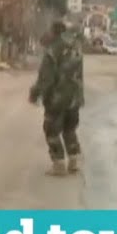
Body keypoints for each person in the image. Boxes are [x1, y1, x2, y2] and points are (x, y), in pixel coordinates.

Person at [30, 20, 84, 176]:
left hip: (57, 98)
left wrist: (35, 93)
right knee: (69, 129)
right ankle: (74, 160)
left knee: (52, 130)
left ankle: (59, 163)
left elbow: (46, 78)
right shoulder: (76, 47)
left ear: (54, 32)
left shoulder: (53, 49)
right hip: (75, 97)